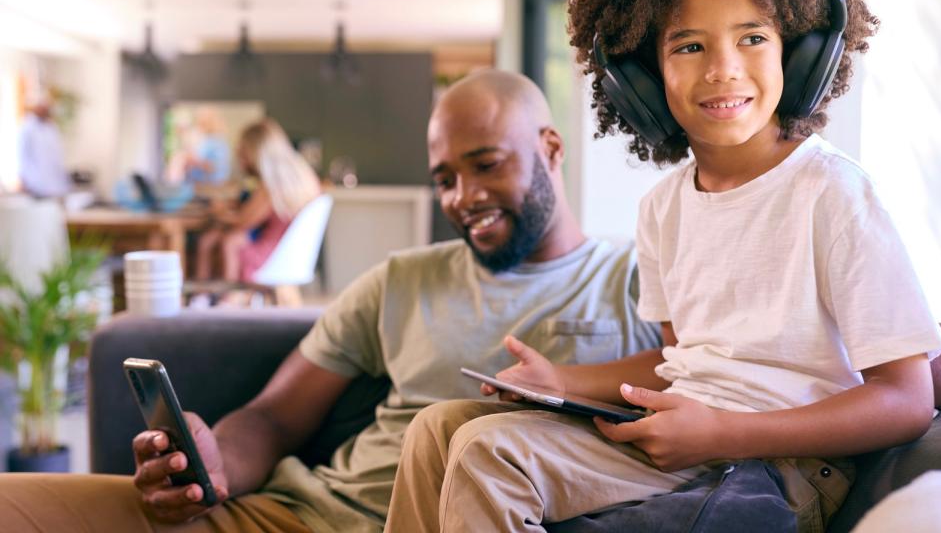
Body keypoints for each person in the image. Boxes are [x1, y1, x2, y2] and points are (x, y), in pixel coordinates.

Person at [382, 0, 941, 532]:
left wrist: (724, 434)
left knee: (491, 457)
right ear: (641, 78)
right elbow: (681, 359)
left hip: (779, 462)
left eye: (753, 38)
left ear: (799, 55)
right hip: (688, 432)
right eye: (688, 46)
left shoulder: (835, 195)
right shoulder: (663, 208)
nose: (723, 69)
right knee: (436, 429)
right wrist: (562, 379)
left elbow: (906, 402)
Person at [0, 69, 661, 532]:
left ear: (550, 149)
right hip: (293, 514)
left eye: (487, 165)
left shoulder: (636, 276)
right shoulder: (402, 278)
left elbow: (702, 398)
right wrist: (206, 463)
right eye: (445, 179)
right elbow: (274, 418)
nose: (463, 197)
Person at [194, 118, 321, 283]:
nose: (241, 161)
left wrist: (217, 212)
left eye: (243, 154)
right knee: (216, 239)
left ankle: (227, 299)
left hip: (271, 256)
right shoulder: (300, 175)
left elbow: (242, 221)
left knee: (227, 241)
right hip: (290, 252)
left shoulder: (271, 187)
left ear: (257, 152)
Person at [17, 99, 71, 198]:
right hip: (35, 183)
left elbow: (58, 155)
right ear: (36, 108)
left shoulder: (51, 127)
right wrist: (23, 180)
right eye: (42, 107)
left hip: (55, 184)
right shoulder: (27, 127)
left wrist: (64, 180)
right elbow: (22, 156)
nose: (45, 110)